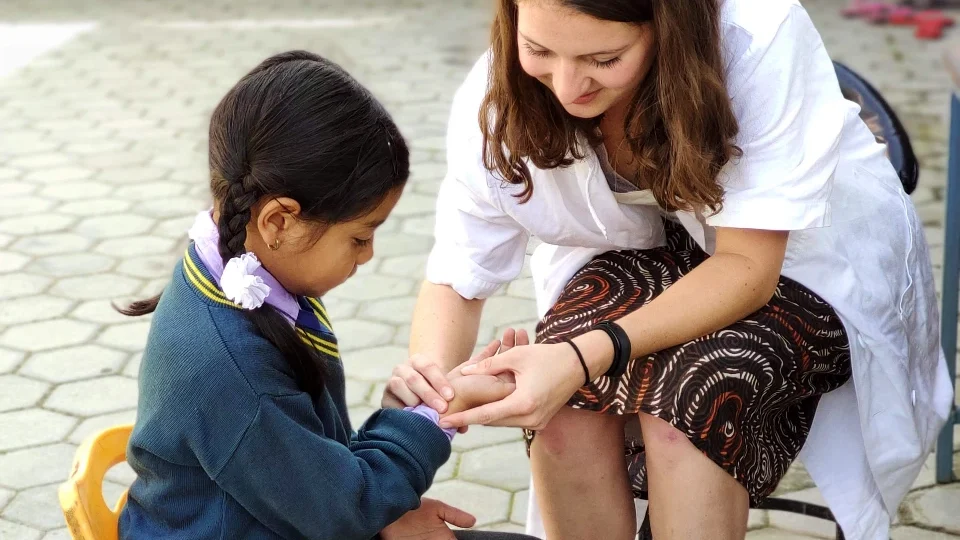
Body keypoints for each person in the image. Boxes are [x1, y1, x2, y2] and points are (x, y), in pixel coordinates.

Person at [386, 1, 955, 539]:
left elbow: (747, 268)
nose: (565, 87)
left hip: (799, 260)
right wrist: (426, 398)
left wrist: (579, 356)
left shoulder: (756, 34)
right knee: (561, 406)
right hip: (642, 257)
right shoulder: (498, 92)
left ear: (668, 20)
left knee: (687, 409)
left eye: (603, 60)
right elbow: (459, 273)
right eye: (539, 50)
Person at [116, 50, 535, 540]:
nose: (370, 255)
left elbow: (314, 473)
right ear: (278, 221)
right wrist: (436, 413)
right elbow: (343, 512)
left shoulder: (240, 274)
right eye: (359, 238)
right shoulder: (230, 363)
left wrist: (402, 419)